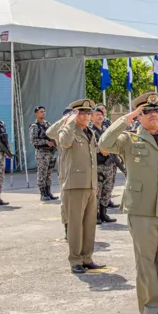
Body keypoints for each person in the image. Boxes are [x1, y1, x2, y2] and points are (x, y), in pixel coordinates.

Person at [99, 91, 158, 314]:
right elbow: (104, 143)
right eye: (146, 112)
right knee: (146, 261)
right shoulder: (129, 139)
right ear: (139, 115)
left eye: (157, 111)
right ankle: (149, 308)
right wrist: (125, 119)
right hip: (141, 210)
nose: (153, 116)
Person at [58, 99, 104, 274]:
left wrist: (94, 184)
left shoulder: (90, 132)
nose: (86, 116)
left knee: (89, 224)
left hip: (89, 185)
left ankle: (87, 257)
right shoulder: (68, 130)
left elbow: (92, 161)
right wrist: (69, 122)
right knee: (76, 225)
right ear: (75, 115)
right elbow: (65, 142)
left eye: (87, 113)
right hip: (74, 185)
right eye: (81, 113)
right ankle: (75, 260)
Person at [47, 107, 74, 238]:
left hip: (81, 168)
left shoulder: (80, 129)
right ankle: (68, 227)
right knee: (66, 198)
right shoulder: (61, 130)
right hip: (65, 167)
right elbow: (50, 133)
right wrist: (64, 121)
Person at [90, 107, 118, 225]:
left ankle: (103, 213)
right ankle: (95, 215)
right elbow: (89, 147)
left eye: (101, 114)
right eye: (97, 114)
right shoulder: (90, 131)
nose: (100, 116)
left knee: (107, 189)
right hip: (98, 164)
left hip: (109, 164)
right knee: (97, 191)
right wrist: (100, 149)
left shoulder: (106, 130)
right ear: (91, 117)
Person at [29, 106, 59, 201]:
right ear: (36, 113)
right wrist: (46, 142)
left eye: (44, 111)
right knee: (42, 173)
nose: (43, 113)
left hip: (50, 152)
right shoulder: (34, 126)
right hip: (42, 152)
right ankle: (42, 193)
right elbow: (33, 141)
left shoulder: (47, 124)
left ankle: (48, 192)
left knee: (48, 173)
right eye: (41, 112)